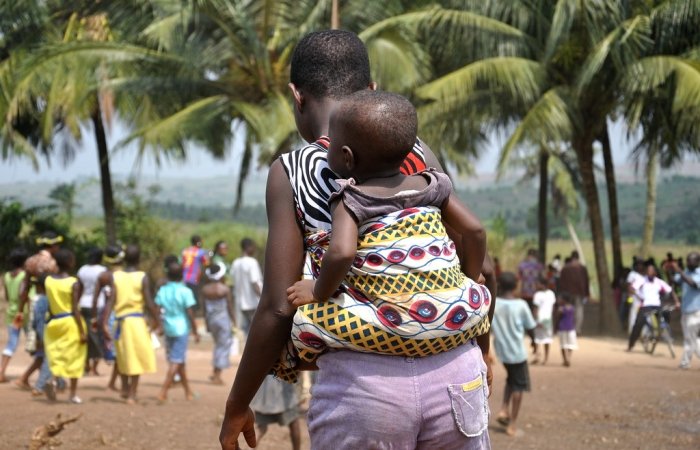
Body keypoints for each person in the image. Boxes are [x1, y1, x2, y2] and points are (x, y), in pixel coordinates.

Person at [220, 30, 493, 450]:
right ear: (372, 91)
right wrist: (483, 350)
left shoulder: (292, 171)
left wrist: (238, 404)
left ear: (297, 96)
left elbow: (277, 305)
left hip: (365, 388)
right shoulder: (417, 155)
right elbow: (475, 259)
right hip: (456, 367)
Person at [286, 90, 491, 368]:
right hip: (453, 318)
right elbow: (476, 231)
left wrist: (317, 291)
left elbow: (343, 252)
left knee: (305, 323)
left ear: (347, 157)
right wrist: (465, 278)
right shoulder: (434, 185)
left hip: (389, 327)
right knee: (480, 291)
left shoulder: (350, 199)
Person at [101, 244, 160, 404]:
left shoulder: (116, 276)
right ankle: (132, 394)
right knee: (135, 358)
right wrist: (157, 320)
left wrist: (104, 322)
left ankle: (125, 389)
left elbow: (110, 301)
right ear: (139, 258)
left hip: (120, 322)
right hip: (136, 323)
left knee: (123, 357)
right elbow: (149, 302)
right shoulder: (142, 277)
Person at [491, 272, 536, 437]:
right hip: (517, 353)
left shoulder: (494, 303)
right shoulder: (521, 305)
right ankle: (512, 424)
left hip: (502, 351)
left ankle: (504, 409)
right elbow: (530, 326)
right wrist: (534, 341)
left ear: (499, 285)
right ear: (516, 286)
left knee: (511, 379)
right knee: (519, 387)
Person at [14, 232, 61, 387]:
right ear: (52, 245)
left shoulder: (30, 261)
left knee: (42, 344)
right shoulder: (52, 263)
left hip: (34, 302)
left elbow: (25, 287)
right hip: (48, 303)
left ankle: (48, 380)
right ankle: (47, 382)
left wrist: (20, 310)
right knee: (49, 344)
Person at [44, 249, 87, 403]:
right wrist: (82, 331)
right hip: (71, 322)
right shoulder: (73, 282)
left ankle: (53, 379)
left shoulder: (48, 280)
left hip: (54, 321)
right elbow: (75, 308)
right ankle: (73, 394)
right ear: (69, 262)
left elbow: (49, 303)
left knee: (58, 353)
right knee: (75, 356)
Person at [155, 259, 199, 402]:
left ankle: (188, 392)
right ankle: (163, 391)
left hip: (168, 328)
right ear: (182, 275)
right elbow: (190, 312)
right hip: (181, 329)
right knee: (176, 360)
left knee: (178, 360)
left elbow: (157, 308)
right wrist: (195, 330)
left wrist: (159, 325)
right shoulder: (185, 291)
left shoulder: (163, 290)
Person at [627, 264, 680, 352]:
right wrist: (638, 295)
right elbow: (632, 288)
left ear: (655, 273)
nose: (650, 273)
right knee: (638, 324)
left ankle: (666, 334)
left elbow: (670, 291)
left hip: (656, 305)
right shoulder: (642, 280)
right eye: (648, 271)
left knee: (665, 316)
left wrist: (677, 302)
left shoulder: (659, 282)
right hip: (645, 305)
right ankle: (631, 344)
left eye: (652, 271)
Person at [202, 263, 236, 385]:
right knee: (223, 346)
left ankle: (215, 371)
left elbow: (204, 308)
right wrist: (234, 320)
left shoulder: (205, 290)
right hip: (223, 320)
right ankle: (217, 375)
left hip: (211, 320)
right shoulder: (224, 289)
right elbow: (229, 306)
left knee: (218, 345)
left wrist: (206, 323)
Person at [250, 376, 302, 450]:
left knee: (261, 428)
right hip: (283, 387)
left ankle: (251, 448)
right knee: (294, 423)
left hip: (266, 389)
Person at [0, 248, 29, 383]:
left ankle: (2, 372)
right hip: (23, 313)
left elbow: (6, 296)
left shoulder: (6, 276)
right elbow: (23, 295)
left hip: (11, 313)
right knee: (34, 342)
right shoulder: (24, 275)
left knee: (11, 343)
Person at [77, 247, 107, 376]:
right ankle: (95, 367)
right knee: (97, 335)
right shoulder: (102, 271)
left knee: (85, 335)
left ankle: (86, 364)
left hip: (83, 304)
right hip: (98, 305)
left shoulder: (82, 270)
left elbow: (79, 288)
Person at [670, 252, 700, 369]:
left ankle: (685, 363)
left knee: (689, 339)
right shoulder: (686, 272)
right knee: (694, 339)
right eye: (687, 260)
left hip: (696, 311)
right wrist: (670, 270)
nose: (688, 263)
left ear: (697, 262)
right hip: (685, 311)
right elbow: (675, 281)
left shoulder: (698, 274)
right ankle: (685, 362)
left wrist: (679, 271)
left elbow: (692, 283)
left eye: (691, 261)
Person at [230, 238, 262, 335]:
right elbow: (254, 283)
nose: (254, 250)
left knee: (246, 331)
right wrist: (263, 298)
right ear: (248, 247)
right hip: (252, 302)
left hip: (240, 303)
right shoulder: (252, 262)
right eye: (253, 247)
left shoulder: (235, 263)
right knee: (256, 331)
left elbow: (232, 281)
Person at [557, 251, 589, 334]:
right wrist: (586, 293)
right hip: (579, 292)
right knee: (579, 310)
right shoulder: (582, 268)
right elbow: (586, 281)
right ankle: (577, 329)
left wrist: (561, 293)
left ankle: (569, 327)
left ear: (571, 257)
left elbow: (561, 282)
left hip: (568, 293)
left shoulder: (566, 268)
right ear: (578, 257)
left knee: (568, 309)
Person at [532, 276, 556, 365]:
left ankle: (537, 356)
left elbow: (536, 308)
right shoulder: (551, 293)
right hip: (548, 319)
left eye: (537, 284)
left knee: (538, 338)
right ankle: (545, 358)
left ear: (542, 284)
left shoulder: (537, 295)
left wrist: (534, 319)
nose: (536, 285)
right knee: (547, 339)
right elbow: (553, 307)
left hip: (540, 319)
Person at [181, 235, 209, 300]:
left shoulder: (185, 251)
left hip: (183, 278)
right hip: (194, 279)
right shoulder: (201, 252)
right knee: (193, 298)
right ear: (199, 242)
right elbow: (206, 263)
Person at [555, 293, 578, 366]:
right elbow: (574, 318)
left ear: (564, 300)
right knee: (570, 344)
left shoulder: (561, 308)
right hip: (571, 328)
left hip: (562, 328)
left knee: (563, 344)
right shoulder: (572, 308)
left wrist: (555, 327)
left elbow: (557, 318)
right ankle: (568, 358)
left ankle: (565, 359)